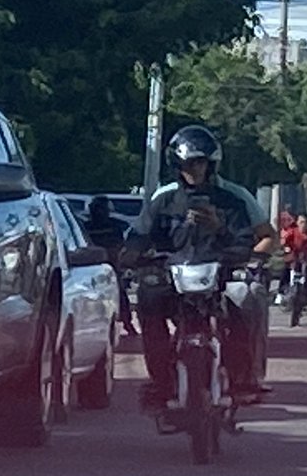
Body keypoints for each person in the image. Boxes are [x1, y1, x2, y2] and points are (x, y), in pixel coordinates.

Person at [128, 124, 276, 411]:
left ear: (212, 164)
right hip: (174, 277)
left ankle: (245, 379)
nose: (196, 170)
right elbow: (140, 235)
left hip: (223, 275)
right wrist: (130, 256)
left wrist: (225, 234)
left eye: (201, 163)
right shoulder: (163, 198)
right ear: (177, 165)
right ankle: (159, 380)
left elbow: (256, 237)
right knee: (147, 301)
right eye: (189, 164)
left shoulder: (233, 198)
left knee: (249, 296)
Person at [86, 195, 138, 336]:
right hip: (91, 268)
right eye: (97, 209)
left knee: (120, 296)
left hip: (111, 267)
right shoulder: (86, 228)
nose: (100, 213)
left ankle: (128, 324)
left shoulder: (114, 227)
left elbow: (120, 246)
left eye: (103, 209)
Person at [277, 214, 307, 305]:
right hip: (293, 258)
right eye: (301, 222)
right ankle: (281, 294)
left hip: (306, 260)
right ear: (297, 223)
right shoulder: (292, 232)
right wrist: (285, 247)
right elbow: (283, 242)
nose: (304, 225)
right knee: (285, 271)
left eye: (306, 222)